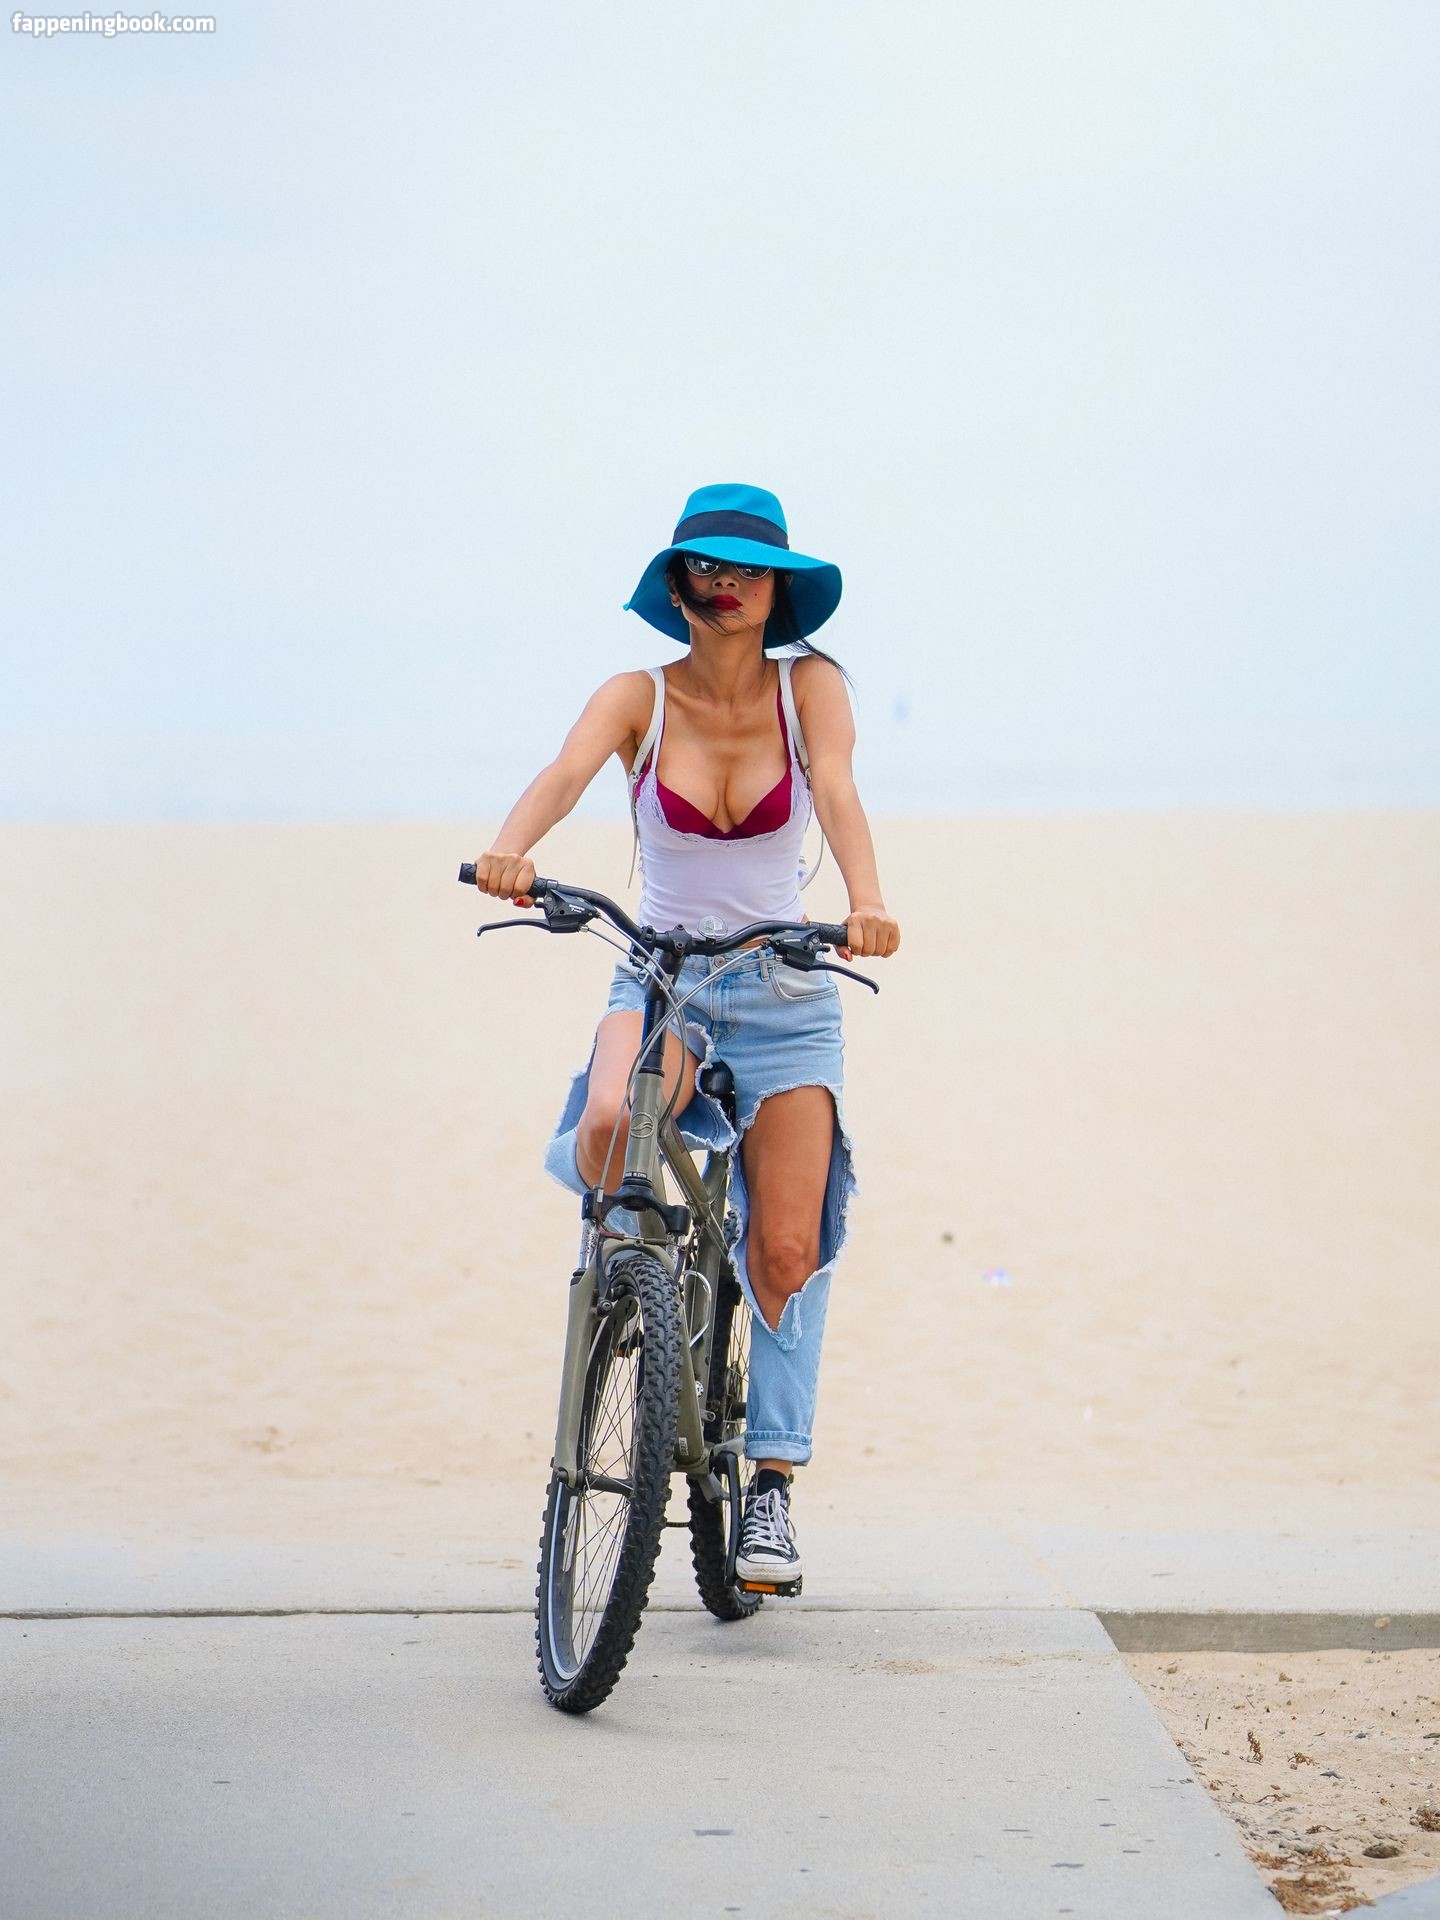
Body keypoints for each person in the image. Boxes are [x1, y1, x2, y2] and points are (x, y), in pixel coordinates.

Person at [472, 482, 900, 1589]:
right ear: (676, 584)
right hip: (664, 977)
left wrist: (865, 899)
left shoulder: (811, 690)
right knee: (610, 1122)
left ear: (778, 590)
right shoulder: (638, 697)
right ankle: (635, 1285)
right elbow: (566, 773)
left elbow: (839, 790)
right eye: (705, 567)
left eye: (748, 570)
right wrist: (512, 849)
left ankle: (771, 1489)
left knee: (787, 1251)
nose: (726, 585)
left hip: (786, 990)